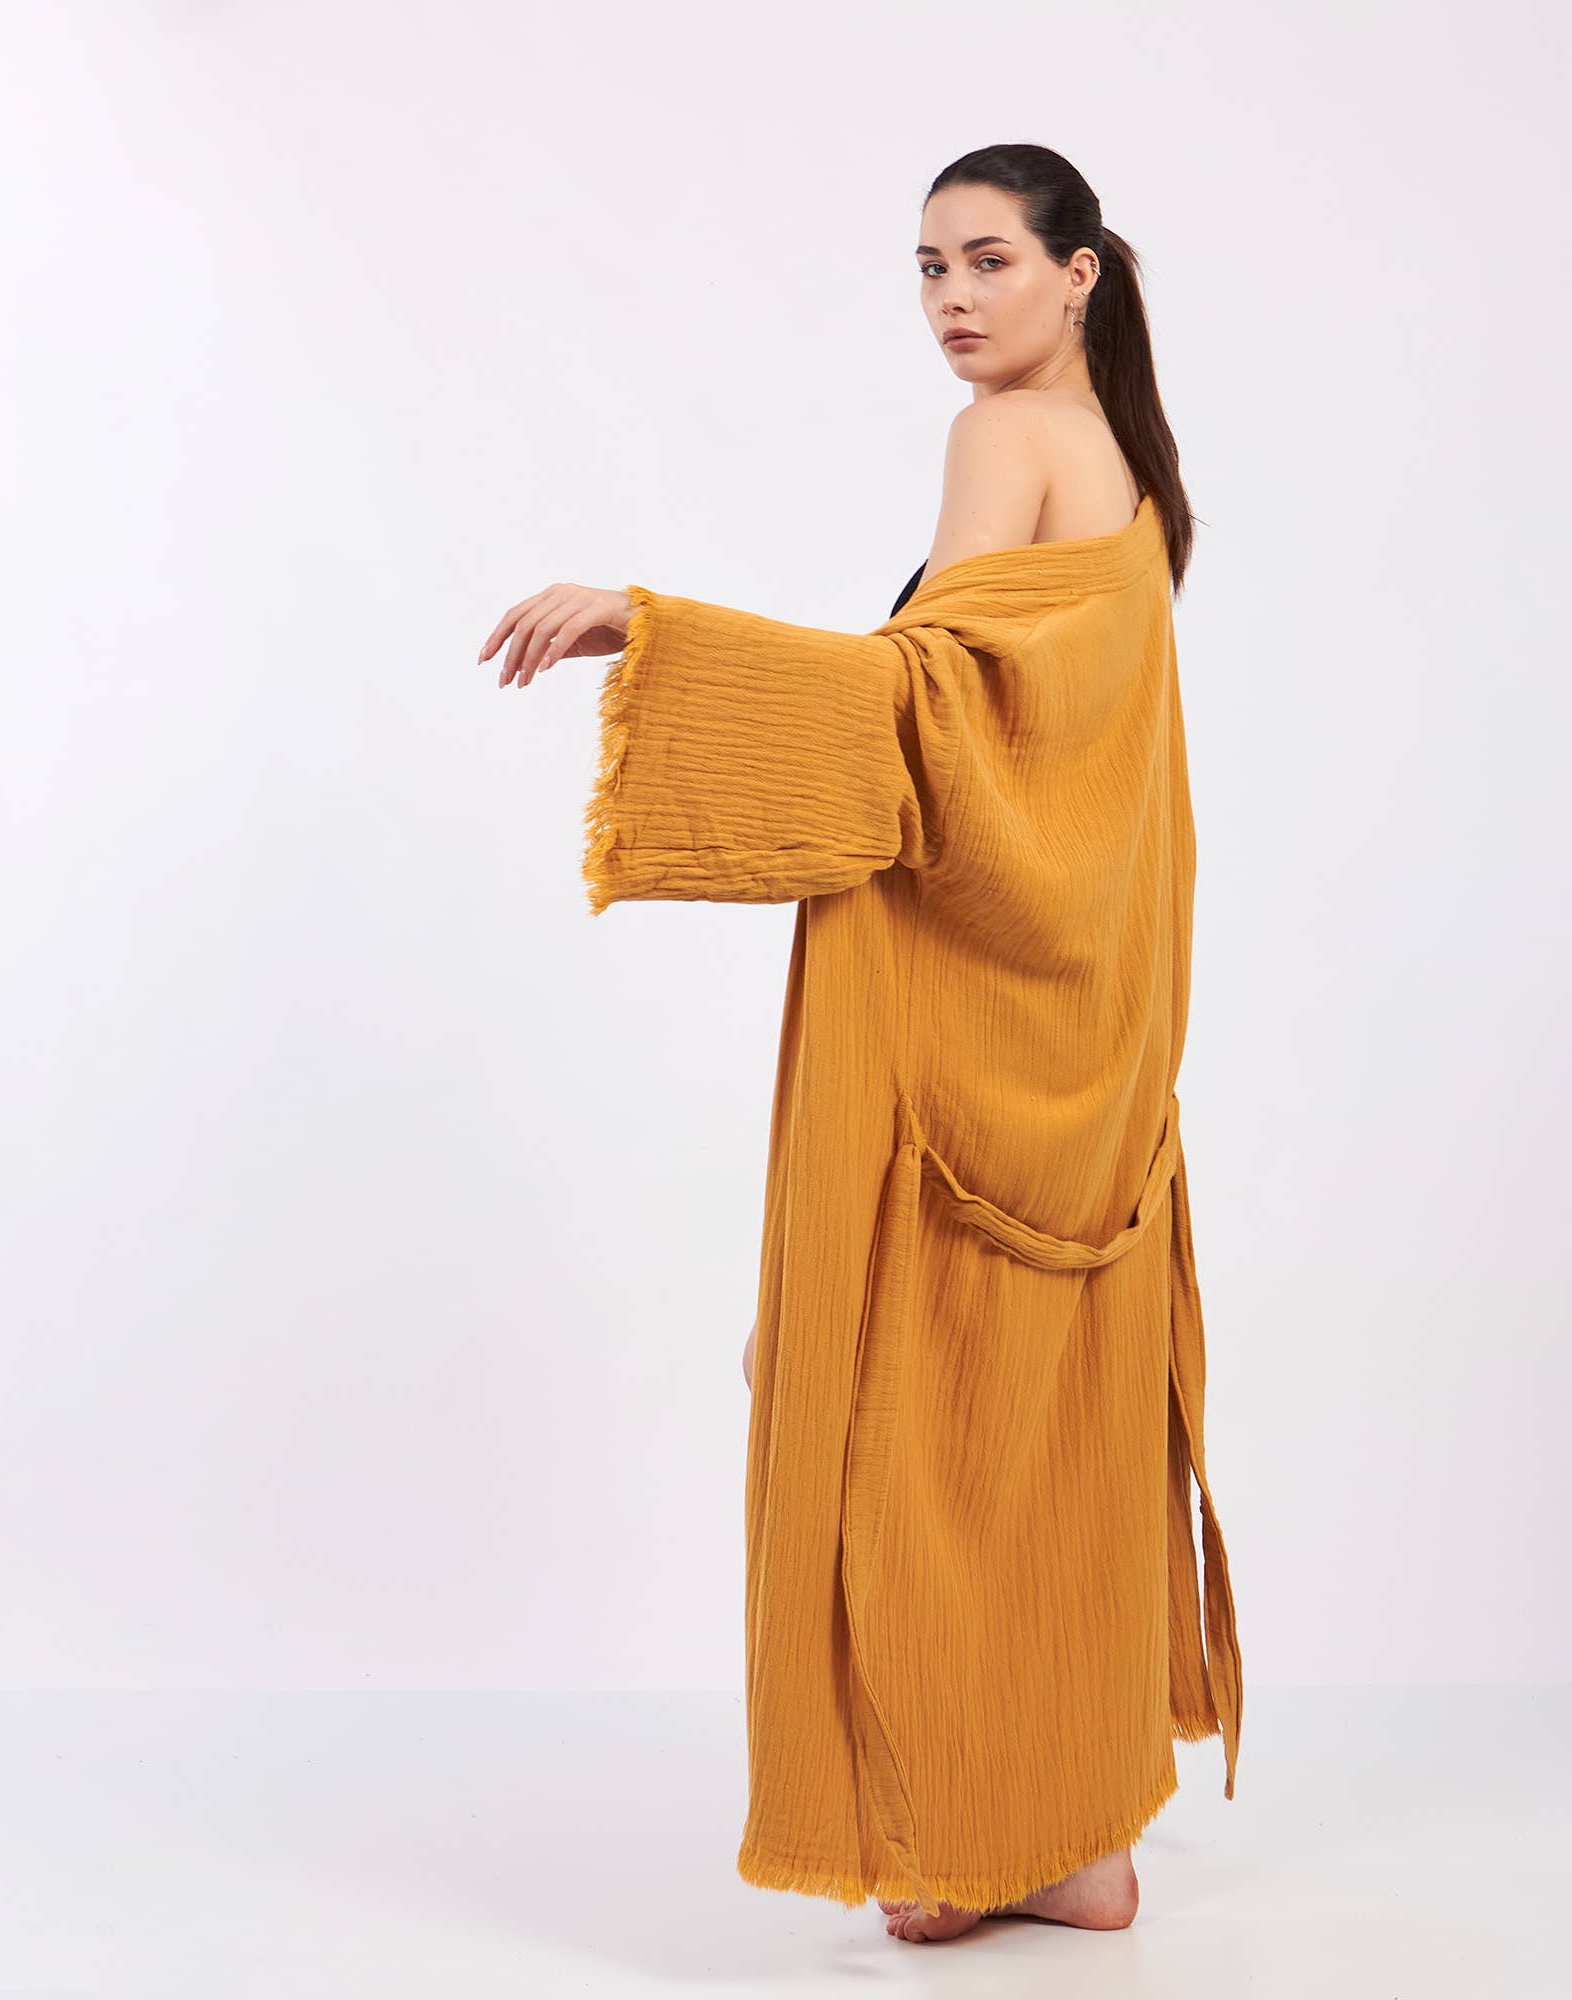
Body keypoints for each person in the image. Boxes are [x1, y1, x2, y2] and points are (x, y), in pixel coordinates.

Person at [479, 143, 1241, 1949]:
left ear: (1080, 274)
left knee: (908, 1405)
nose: (951, 299)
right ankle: (1077, 1839)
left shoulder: (1005, 437)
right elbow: (1025, 735)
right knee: (1039, 1410)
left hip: (959, 1023)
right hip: (1090, 1017)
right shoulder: (1131, 474)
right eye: (926, 268)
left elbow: (924, 708)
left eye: (988, 260)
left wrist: (651, 626)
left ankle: (963, 1828)